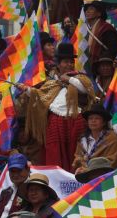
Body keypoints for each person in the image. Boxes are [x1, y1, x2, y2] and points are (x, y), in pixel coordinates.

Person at [19, 43, 95, 171]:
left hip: (77, 120)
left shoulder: (81, 79)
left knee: (76, 154)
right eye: (65, 62)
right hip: (56, 122)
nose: (69, 64)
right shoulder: (52, 84)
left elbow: (86, 89)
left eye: (71, 62)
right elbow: (40, 96)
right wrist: (26, 89)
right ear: (58, 64)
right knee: (54, 154)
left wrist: (68, 79)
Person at [72, 103, 117, 173]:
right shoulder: (83, 139)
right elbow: (78, 157)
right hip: (84, 175)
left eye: (97, 118)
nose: (93, 121)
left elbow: (113, 161)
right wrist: (79, 163)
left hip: (105, 175)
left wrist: (91, 169)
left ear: (104, 122)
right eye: (90, 118)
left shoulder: (112, 138)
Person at [0, 153, 30, 218]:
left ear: (28, 170)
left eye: (19, 171)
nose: (15, 175)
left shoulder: (32, 192)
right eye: (12, 171)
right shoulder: (6, 192)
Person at [84, 1, 117, 65]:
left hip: (104, 66)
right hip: (92, 66)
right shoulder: (87, 30)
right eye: (86, 9)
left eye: (91, 9)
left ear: (99, 13)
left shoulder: (106, 28)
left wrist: (102, 60)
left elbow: (113, 49)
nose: (87, 11)